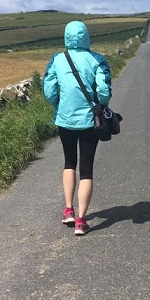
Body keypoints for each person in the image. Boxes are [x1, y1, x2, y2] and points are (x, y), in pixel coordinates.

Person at [43, 20, 112, 236]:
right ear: (86, 36)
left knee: (69, 162)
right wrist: (101, 104)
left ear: (66, 36)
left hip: (65, 119)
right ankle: (82, 221)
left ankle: (68, 211)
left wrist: (59, 105)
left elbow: (49, 88)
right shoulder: (97, 59)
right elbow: (103, 90)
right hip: (91, 120)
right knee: (87, 169)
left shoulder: (58, 59)